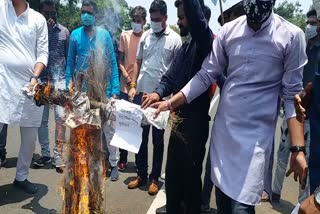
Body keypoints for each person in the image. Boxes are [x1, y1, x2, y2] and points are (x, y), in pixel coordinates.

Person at [151, 0, 309, 212]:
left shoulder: (291, 36)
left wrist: (297, 150)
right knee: (224, 205)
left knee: (241, 208)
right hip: (224, 137)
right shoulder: (229, 31)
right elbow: (206, 75)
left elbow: (291, 97)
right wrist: (170, 103)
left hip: (256, 143)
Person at [143, 0, 213, 212]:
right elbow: (170, 77)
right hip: (178, 121)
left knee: (190, 180)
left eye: (182, 18)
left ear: (194, 18)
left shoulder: (204, 43)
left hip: (195, 124)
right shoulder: (185, 47)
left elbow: (199, 22)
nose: (179, 22)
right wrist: (157, 93)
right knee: (173, 174)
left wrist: (192, 5)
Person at [126, 0, 182, 196]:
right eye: (152, 19)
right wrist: (133, 86)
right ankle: (141, 174)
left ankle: (153, 178)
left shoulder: (175, 40)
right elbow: (138, 63)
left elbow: (176, 73)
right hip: (142, 96)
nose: (154, 22)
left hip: (161, 100)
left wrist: (173, 102)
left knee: (158, 141)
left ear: (166, 18)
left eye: (158, 19)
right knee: (140, 139)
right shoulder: (146, 37)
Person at [65, 0, 120, 181]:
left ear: (95, 15)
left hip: (102, 91)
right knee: (85, 128)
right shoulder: (75, 35)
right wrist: (68, 85)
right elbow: (70, 63)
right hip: (82, 92)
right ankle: (89, 163)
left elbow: (112, 63)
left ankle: (113, 164)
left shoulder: (104, 35)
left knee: (108, 129)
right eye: (83, 12)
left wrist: (115, 90)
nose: (85, 16)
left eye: (88, 12)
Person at [0, 0, 48, 194]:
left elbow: (43, 53)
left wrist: (35, 77)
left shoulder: (38, 19)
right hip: (2, 82)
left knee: (29, 137)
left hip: (30, 85)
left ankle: (21, 177)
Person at [32, 0, 69, 173]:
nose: (50, 17)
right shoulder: (36, 32)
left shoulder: (64, 32)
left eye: (53, 13)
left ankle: (59, 157)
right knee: (42, 121)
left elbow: (68, 57)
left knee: (60, 121)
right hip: (41, 83)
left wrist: (69, 83)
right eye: (46, 13)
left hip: (60, 83)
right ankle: (45, 154)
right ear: (40, 13)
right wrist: (44, 30)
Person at [117, 6, 147, 171]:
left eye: (139, 21)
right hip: (124, 86)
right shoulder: (124, 36)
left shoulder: (148, 37)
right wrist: (127, 78)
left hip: (141, 87)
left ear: (144, 22)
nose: (136, 23)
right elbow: (120, 60)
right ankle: (122, 158)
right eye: (134, 20)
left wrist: (135, 82)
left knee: (138, 126)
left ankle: (138, 162)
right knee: (124, 123)